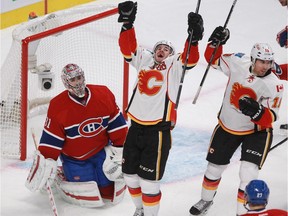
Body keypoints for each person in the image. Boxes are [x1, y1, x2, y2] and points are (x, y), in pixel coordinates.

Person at [117, 1, 204, 215]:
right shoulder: (144, 60)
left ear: (171, 54)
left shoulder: (174, 66)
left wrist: (193, 38)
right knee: (129, 176)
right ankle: (140, 210)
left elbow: (190, 58)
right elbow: (127, 48)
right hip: (135, 127)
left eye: (166, 49)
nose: (161, 51)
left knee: (149, 182)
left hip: (157, 131)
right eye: (159, 48)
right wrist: (128, 24)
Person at [189, 26, 284, 216]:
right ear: (253, 58)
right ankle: (206, 201)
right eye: (261, 61)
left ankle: (242, 213)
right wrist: (215, 43)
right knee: (213, 170)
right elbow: (213, 59)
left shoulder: (275, 84)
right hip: (228, 126)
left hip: (256, 132)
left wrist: (257, 112)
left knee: (248, 175)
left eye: (268, 62)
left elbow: (271, 117)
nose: (265, 66)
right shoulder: (238, 61)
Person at [25, 63, 128, 207]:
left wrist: (119, 152)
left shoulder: (103, 94)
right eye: (73, 80)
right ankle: (62, 174)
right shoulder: (58, 106)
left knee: (108, 189)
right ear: (66, 82)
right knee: (87, 191)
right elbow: (51, 140)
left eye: (79, 77)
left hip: (101, 152)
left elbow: (117, 125)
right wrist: (47, 161)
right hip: (74, 159)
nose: (78, 82)